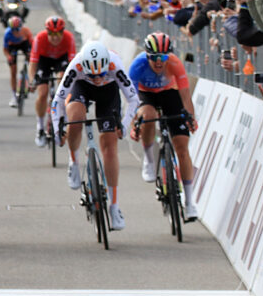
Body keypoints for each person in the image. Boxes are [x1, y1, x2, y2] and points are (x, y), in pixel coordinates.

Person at [50, 40, 139, 231]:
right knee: (75, 119)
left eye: (101, 74)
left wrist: (123, 125)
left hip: (109, 93)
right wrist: (58, 128)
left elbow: (133, 99)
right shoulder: (76, 66)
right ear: (85, 67)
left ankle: (114, 207)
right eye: (93, 74)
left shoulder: (115, 64)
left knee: (109, 146)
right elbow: (57, 100)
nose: (97, 78)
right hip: (82, 87)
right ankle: (73, 161)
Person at [128, 32, 199, 220]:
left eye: (163, 57)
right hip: (146, 95)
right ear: (147, 55)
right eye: (154, 58)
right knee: (149, 116)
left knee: (182, 148)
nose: (159, 62)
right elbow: (132, 100)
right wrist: (136, 123)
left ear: (170, 55)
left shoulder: (175, 63)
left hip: (170, 94)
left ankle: (190, 202)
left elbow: (185, 96)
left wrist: (190, 118)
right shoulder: (137, 66)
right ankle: (149, 159)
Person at [29, 16, 76, 147]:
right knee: (43, 93)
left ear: (63, 32)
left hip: (61, 59)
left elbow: (73, 66)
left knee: (63, 78)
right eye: (51, 34)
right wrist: (32, 81)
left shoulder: (69, 38)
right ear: (47, 32)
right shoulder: (39, 38)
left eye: (58, 33)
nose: (55, 37)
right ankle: (40, 127)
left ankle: (62, 116)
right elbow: (33, 64)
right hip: (44, 60)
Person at [2, 15, 33, 107]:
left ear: (21, 27)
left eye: (17, 30)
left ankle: (28, 78)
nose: (15, 32)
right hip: (13, 47)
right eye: (13, 30)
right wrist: (8, 56)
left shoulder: (26, 31)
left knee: (30, 58)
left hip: (24, 44)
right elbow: (5, 49)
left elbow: (33, 45)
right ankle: (14, 95)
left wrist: (30, 55)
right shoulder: (7, 34)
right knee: (13, 70)